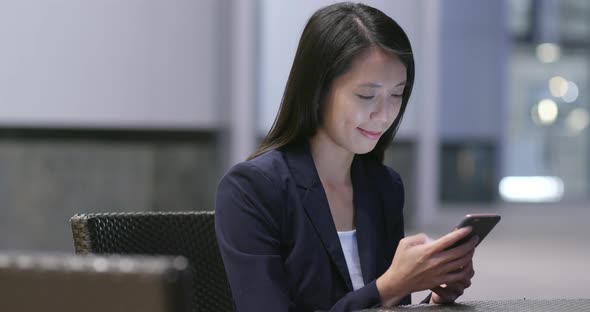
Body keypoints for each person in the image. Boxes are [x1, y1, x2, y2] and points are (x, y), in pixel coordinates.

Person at [215, 2, 478, 311]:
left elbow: (388, 307)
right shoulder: (252, 189)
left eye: (397, 95)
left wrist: (432, 297)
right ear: (318, 89)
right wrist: (390, 285)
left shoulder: (384, 186)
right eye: (366, 95)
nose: (383, 116)